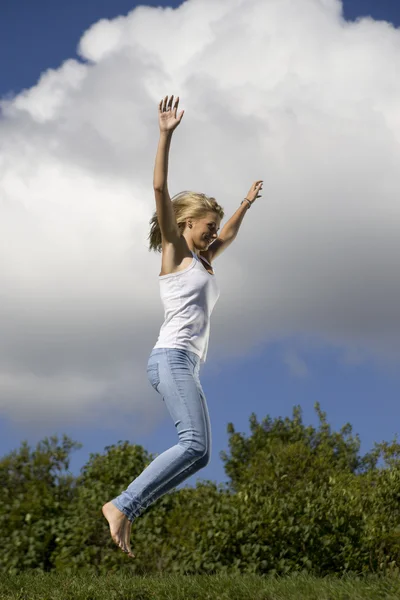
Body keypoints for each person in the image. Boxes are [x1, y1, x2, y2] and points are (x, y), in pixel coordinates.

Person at [102, 95, 263, 558]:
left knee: (200, 452)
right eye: (206, 227)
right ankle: (121, 504)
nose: (213, 233)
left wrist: (244, 205)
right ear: (184, 224)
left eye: (214, 228)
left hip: (186, 365)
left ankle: (127, 509)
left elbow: (227, 235)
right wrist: (165, 135)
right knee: (193, 444)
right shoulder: (174, 252)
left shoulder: (205, 260)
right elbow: (159, 189)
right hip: (170, 358)